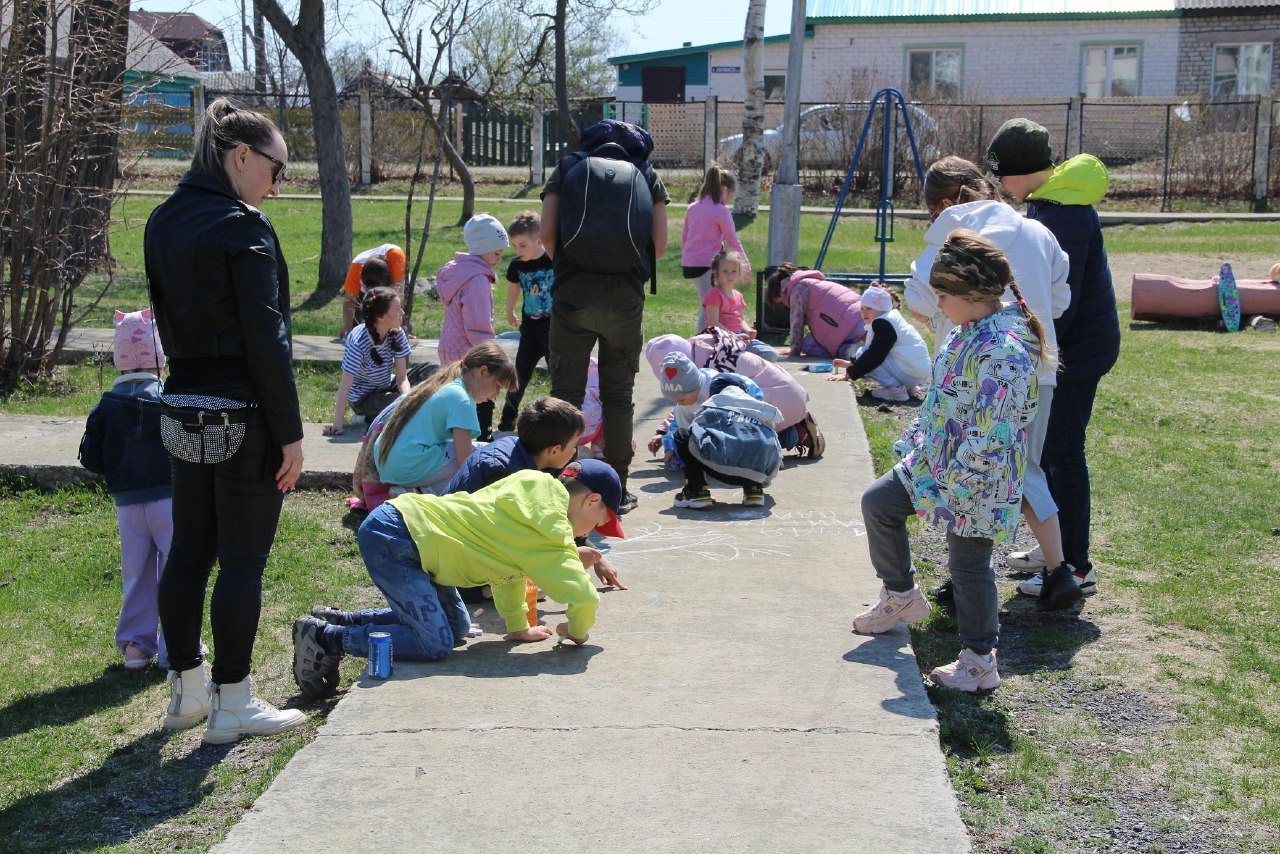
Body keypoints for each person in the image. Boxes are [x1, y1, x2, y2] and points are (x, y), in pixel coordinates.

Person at [144, 97, 306, 743]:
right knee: (242, 562)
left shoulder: (164, 220)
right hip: (243, 414)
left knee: (188, 551)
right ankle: (233, 701)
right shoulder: (242, 226)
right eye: (277, 169)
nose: (277, 183)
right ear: (241, 157)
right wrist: (291, 432)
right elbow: (266, 339)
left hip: (181, 404)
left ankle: (187, 690)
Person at [852, 230, 1048, 694]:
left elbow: (992, 435)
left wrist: (958, 484)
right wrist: (916, 442)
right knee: (879, 503)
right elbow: (942, 399)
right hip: (934, 463)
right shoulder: (967, 328)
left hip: (977, 479)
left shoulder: (1005, 352)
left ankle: (980, 660)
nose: (938, 306)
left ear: (975, 294)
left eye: (943, 296)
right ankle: (901, 596)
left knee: (969, 566)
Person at [290, 460, 625, 699]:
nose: (591, 532)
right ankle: (326, 637)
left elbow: (508, 568)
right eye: (598, 522)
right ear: (591, 500)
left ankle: (341, 619)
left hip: (410, 529)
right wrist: (574, 630)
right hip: (400, 539)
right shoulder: (550, 532)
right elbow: (584, 598)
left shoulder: (532, 486)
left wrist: (517, 624)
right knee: (433, 643)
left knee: (456, 628)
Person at [907, 155, 1080, 611]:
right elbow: (1060, 298)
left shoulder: (956, 227)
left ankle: (966, 576)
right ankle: (1058, 568)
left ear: (944, 202)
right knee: (1024, 468)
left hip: (973, 373)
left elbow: (918, 293)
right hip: (1037, 368)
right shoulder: (1038, 230)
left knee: (967, 466)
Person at [987, 119, 1121, 603]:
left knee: (1062, 455)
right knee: (1049, 454)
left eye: (1001, 173)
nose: (999, 184)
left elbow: (1058, 301)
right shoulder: (1056, 204)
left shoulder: (1059, 215)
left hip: (1078, 354)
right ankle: (1054, 550)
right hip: (1075, 348)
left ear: (1020, 171)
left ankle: (1076, 565)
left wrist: (1032, 354)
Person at [541, 120, 671, 514]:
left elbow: (547, 233)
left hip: (571, 297)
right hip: (625, 301)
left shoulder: (567, 168)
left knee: (565, 397)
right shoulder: (647, 175)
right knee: (618, 398)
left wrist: (567, 266)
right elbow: (659, 246)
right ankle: (616, 490)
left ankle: (558, 488)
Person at [445, 396, 626, 591]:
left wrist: (595, 555)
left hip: (471, 552)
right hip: (455, 568)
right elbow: (509, 541)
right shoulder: (504, 475)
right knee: (532, 586)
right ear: (555, 450)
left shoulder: (534, 455)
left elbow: (562, 513)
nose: (575, 451)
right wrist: (564, 556)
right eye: (574, 444)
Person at [78, 309, 174, 672]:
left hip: (128, 504)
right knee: (175, 569)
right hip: (170, 500)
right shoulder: (168, 399)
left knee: (136, 571)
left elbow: (92, 458)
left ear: (119, 360)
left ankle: (136, 645)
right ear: (159, 359)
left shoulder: (105, 407)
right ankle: (176, 647)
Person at [643, 333, 821, 458]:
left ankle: (793, 433)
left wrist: (670, 435)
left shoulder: (709, 372)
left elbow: (686, 404)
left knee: (725, 442)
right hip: (785, 394)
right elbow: (683, 402)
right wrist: (663, 431)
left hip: (776, 403)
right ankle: (790, 428)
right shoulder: (704, 350)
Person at [373, 342, 517, 495]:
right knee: (481, 458)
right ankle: (419, 493)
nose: (496, 395)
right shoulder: (462, 400)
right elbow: (465, 462)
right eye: (497, 386)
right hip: (406, 463)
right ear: (483, 371)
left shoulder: (445, 382)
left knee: (474, 451)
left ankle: (415, 490)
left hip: (388, 460)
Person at [324, 288, 435, 437]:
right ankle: (366, 417)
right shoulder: (358, 340)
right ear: (381, 316)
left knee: (433, 370)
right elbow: (345, 384)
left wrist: (406, 398)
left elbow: (402, 378)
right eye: (397, 309)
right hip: (363, 399)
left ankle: (387, 413)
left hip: (385, 383)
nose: (402, 312)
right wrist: (337, 424)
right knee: (402, 403)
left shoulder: (396, 332)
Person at [437, 213, 510, 440]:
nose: (499, 258)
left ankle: (456, 446)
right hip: (471, 353)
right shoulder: (477, 280)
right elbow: (477, 327)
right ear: (483, 248)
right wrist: (493, 358)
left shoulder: (459, 272)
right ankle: (478, 446)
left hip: (451, 349)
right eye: (497, 253)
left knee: (456, 404)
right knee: (481, 400)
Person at [669, 373, 784, 510]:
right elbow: (775, 448)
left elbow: (696, 432)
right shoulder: (760, 408)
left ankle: (697, 491)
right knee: (754, 440)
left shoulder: (713, 404)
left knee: (683, 435)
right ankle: (754, 490)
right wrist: (764, 479)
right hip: (758, 474)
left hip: (723, 469)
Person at [498, 210, 555, 433]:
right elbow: (513, 288)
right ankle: (508, 417)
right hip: (530, 328)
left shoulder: (552, 259)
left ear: (539, 240)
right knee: (519, 373)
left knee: (557, 374)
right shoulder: (517, 266)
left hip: (552, 328)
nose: (518, 250)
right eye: (514, 246)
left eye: (523, 245)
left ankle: (559, 418)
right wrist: (510, 310)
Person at [830, 284, 931, 401]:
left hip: (911, 372)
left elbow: (875, 354)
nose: (864, 313)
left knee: (869, 356)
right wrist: (850, 363)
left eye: (869, 308)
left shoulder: (882, 323)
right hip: (915, 371)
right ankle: (909, 387)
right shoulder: (891, 318)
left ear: (882, 308)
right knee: (865, 354)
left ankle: (896, 391)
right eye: (862, 308)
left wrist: (849, 374)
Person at [682, 163, 748, 330]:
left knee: (708, 303)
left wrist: (688, 256)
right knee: (710, 307)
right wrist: (745, 266)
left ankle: (707, 342)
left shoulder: (693, 207)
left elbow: (685, 238)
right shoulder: (720, 211)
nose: (729, 199)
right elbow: (733, 240)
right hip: (706, 266)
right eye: (731, 194)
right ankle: (702, 345)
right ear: (725, 190)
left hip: (690, 264)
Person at [765, 265, 865, 360]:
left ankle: (848, 351)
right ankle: (859, 347)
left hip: (847, 324)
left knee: (808, 346)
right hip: (862, 315)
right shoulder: (812, 282)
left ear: (778, 292)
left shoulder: (797, 290)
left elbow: (797, 323)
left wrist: (794, 350)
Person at [702, 251, 776, 362]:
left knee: (769, 353)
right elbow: (713, 324)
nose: (730, 275)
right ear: (716, 273)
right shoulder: (714, 295)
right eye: (725, 271)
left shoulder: (738, 295)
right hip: (722, 339)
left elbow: (740, 320)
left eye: (734, 271)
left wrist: (748, 330)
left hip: (740, 337)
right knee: (744, 359)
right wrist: (733, 336)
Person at [340, 243, 406, 338]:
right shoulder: (355, 269)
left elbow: (397, 297)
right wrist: (347, 326)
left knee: (390, 305)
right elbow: (349, 300)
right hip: (363, 270)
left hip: (394, 276)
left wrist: (398, 328)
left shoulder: (396, 259)